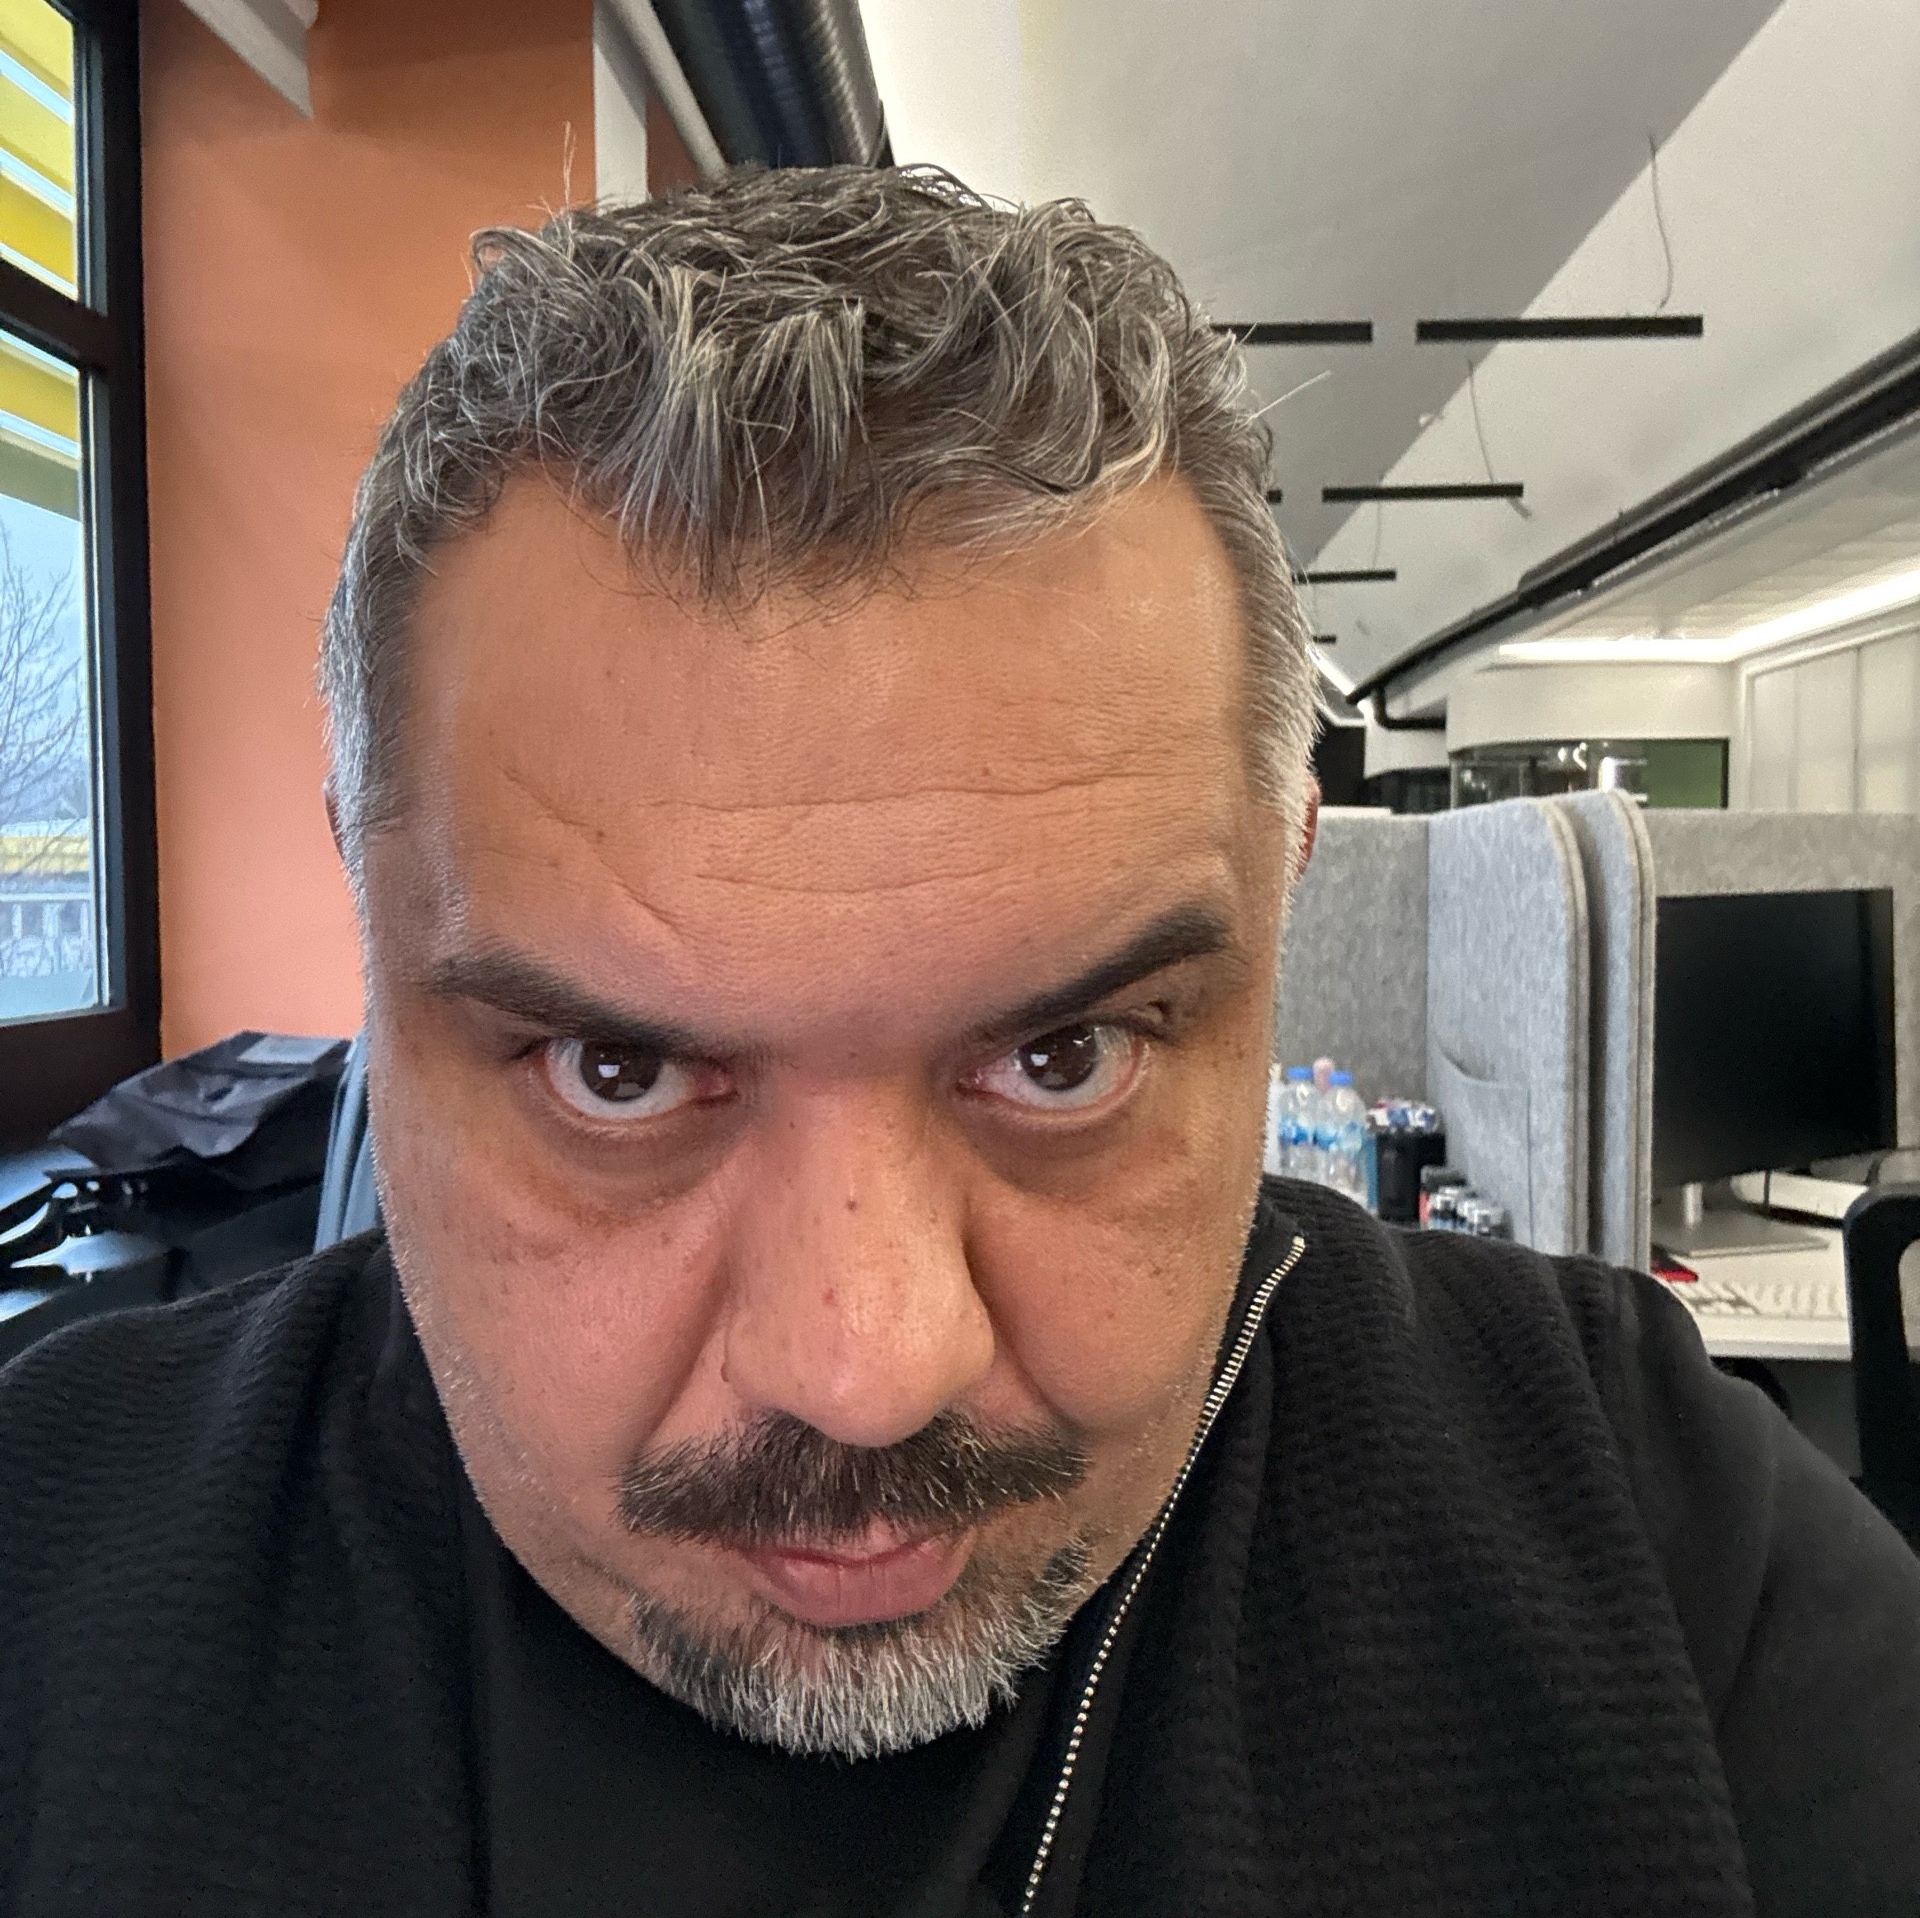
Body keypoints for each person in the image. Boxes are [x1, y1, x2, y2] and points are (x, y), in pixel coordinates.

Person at [1, 166, 1916, 1918]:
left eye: (1066, 1058)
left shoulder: (1648, 1536)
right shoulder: (42, 1570)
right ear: (369, 909)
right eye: (618, 1075)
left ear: (1283, 890)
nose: (867, 1369)